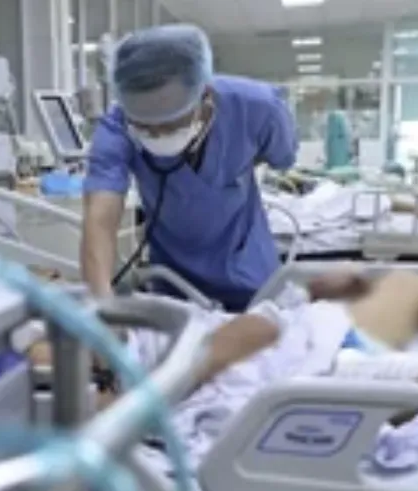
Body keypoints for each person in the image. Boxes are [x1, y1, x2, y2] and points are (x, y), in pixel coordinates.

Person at [22, 270, 418, 412]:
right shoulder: (37, 361)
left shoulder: (116, 332)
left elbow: (253, 329)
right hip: (317, 367)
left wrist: (301, 298)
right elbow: (252, 334)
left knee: (409, 285)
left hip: (307, 334)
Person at [81, 24, 298, 312]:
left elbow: (281, 157)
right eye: (144, 127)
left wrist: (233, 168)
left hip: (251, 278)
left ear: (204, 96)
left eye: (171, 124)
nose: (157, 135)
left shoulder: (258, 108)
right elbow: (100, 219)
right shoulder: (116, 126)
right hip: (173, 282)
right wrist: (101, 307)